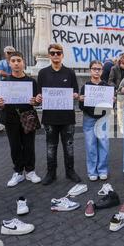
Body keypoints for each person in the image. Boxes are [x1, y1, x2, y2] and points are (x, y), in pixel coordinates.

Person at [35, 44, 82, 185]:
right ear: (49, 55)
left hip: (67, 117)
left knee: (69, 146)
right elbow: (39, 94)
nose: (55, 55)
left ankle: (70, 171)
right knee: (51, 147)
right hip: (50, 117)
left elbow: (75, 92)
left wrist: (75, 95)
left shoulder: (70, 73)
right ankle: (51, 173)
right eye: (53, 53)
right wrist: (38, 98)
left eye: (58, 53)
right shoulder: (43, 73)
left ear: (62, 55)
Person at [0, 52, 41, 188]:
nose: (16, 63)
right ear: (9, 64)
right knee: (14, 146)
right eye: (13, 61)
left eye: (18, 60)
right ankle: (18, 172)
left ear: (23, 62)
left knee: (29, 145)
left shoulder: (31, 81)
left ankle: (30, 171)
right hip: (10, 117)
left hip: (28, 117)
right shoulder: (4, 82)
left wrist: (36, 101)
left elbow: (37, 102)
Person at [79, 60, 112, 181]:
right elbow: (81, 107)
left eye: (99, 69)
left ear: (102, 71)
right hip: (89, 118)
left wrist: (111, 101)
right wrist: (81, 101)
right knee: (90, 145)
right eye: (94, 69)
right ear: (90, 70)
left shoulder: (107, 87)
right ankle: (92, 171)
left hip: (103, 119)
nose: (97, 71)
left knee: (104, 145)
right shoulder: (85, 87)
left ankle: (102, 170)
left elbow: (110, 107)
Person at [0, 46, 15, 132]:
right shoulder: (1, 62)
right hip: (4, 85)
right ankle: (2, 123)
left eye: (11, 53)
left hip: (14, 85)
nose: (10, 54)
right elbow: (1, 72)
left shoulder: (15, 61)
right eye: (8, 52)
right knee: (2, 104)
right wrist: (13, 76)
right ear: (5, 53)